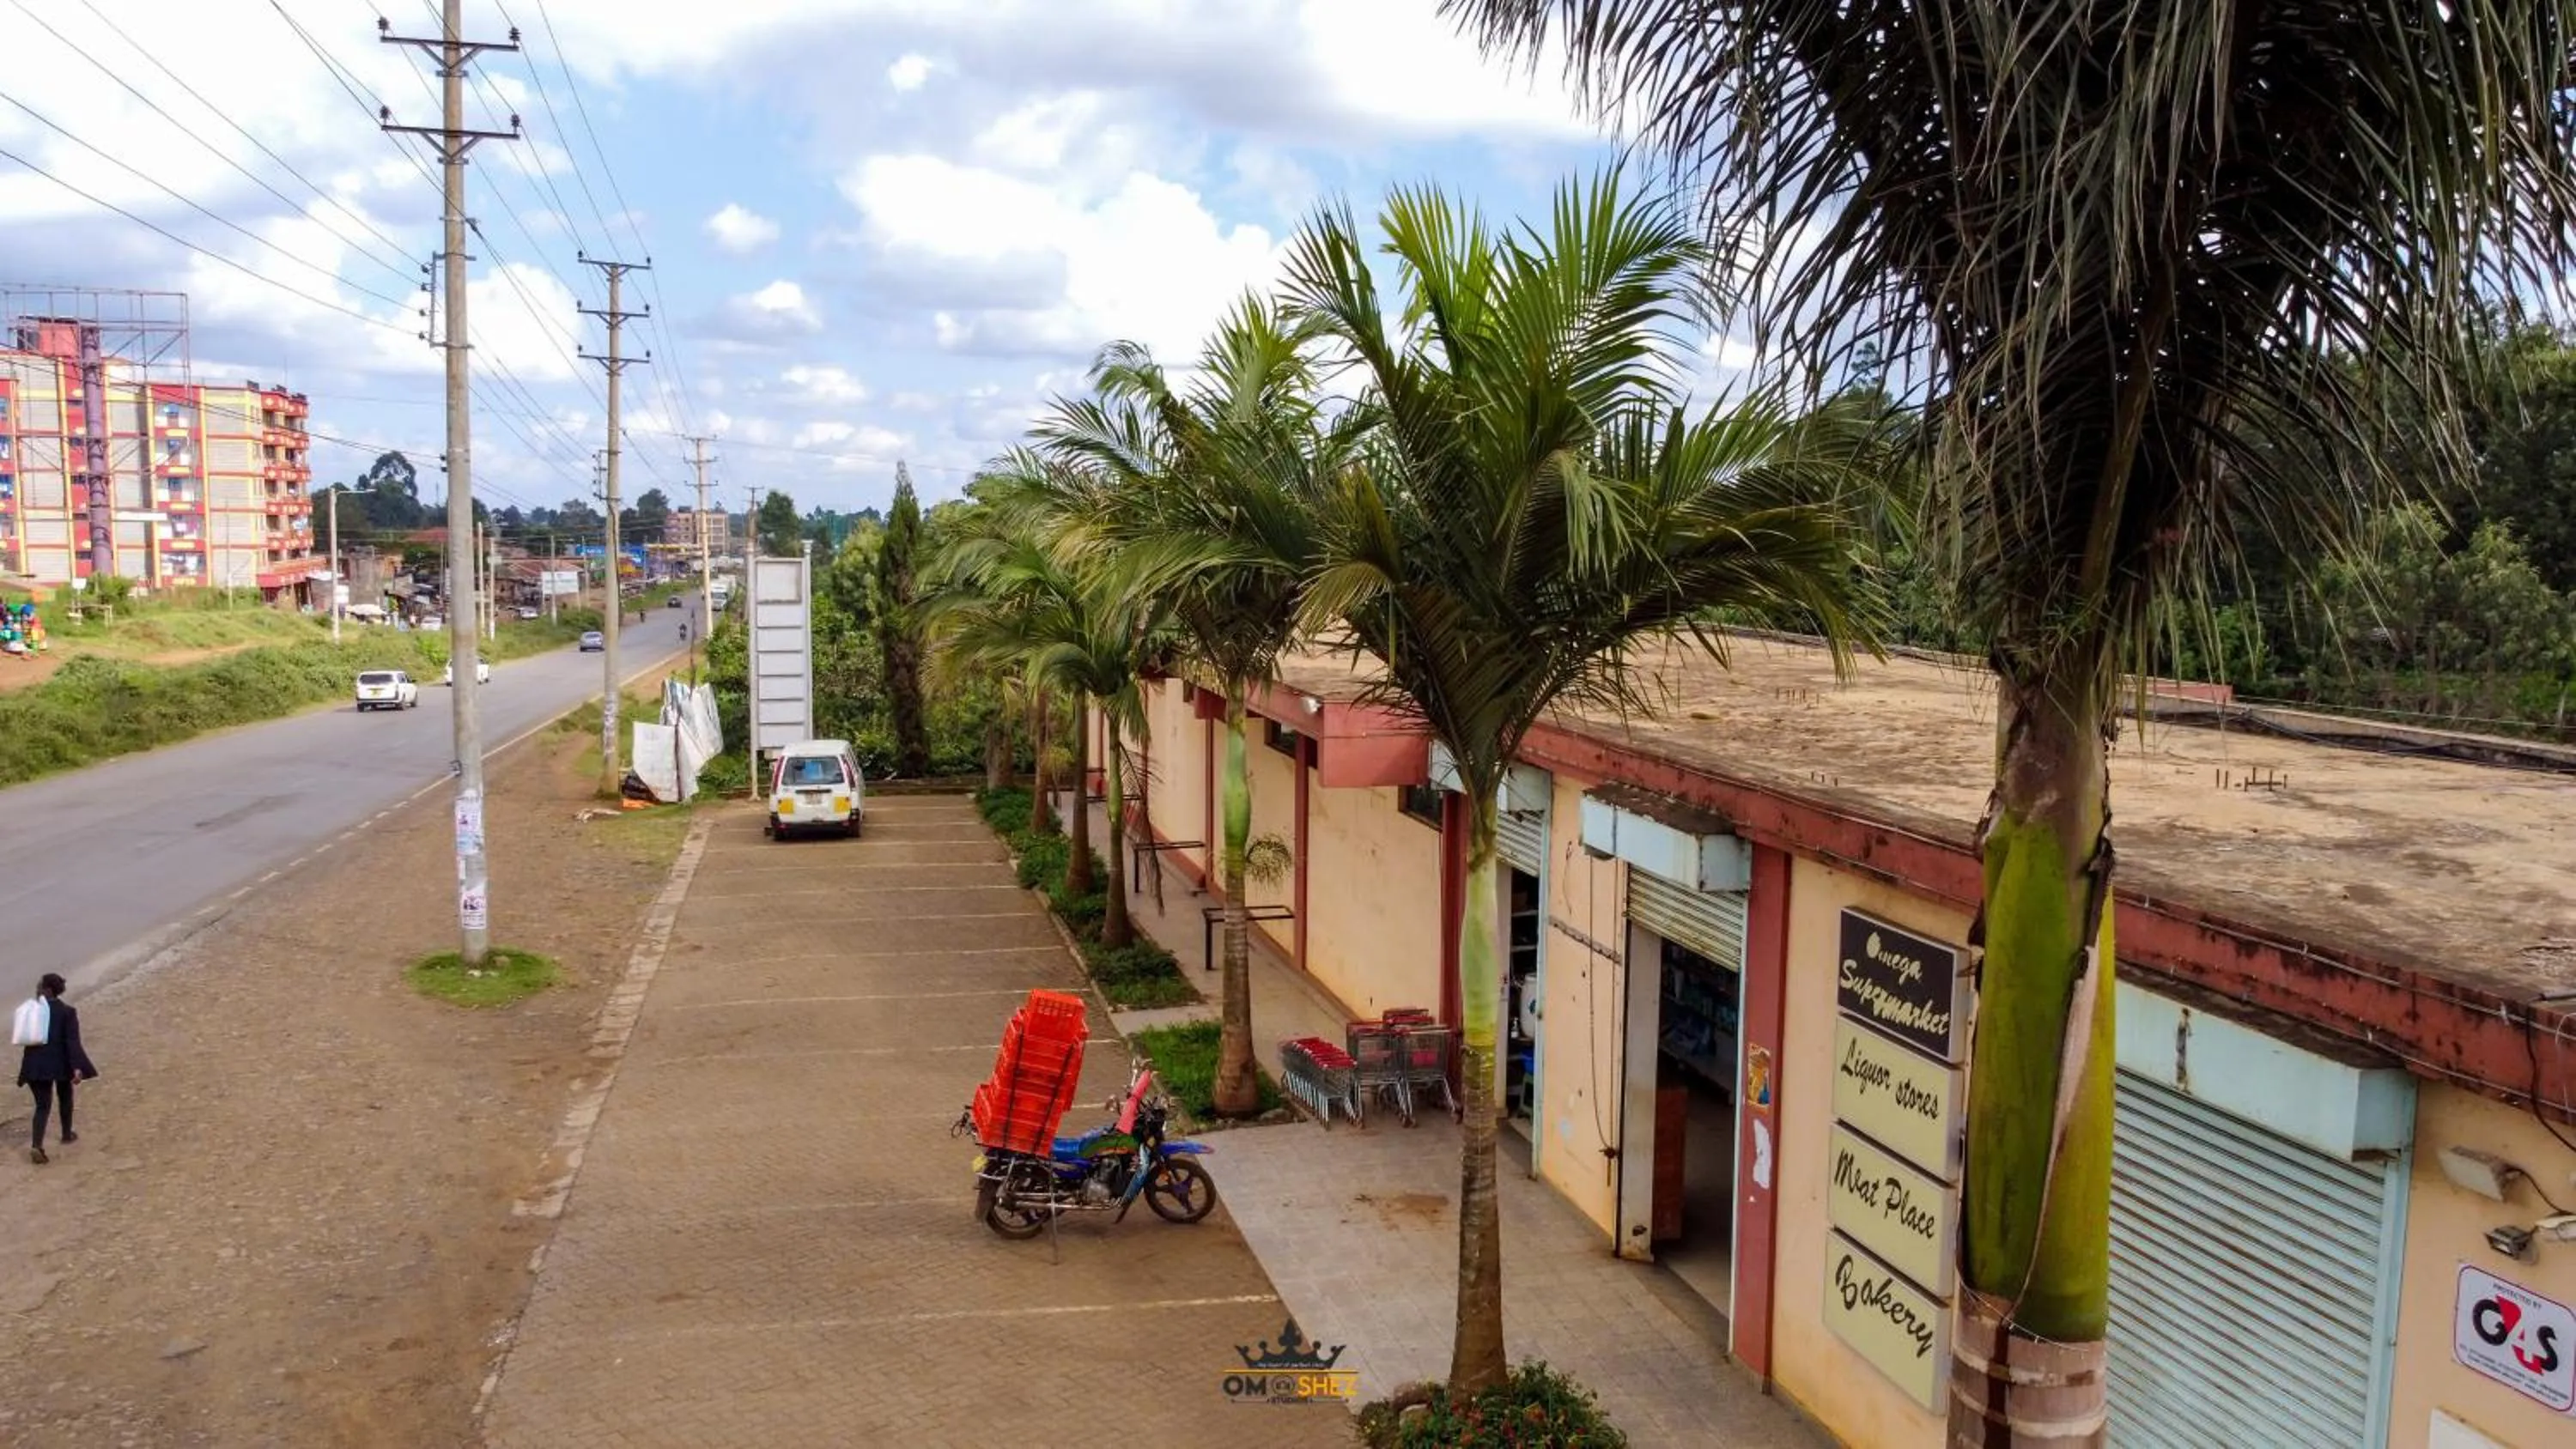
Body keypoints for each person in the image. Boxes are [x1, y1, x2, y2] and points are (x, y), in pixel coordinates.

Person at [15, 973, 96, 1164]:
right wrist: (77, 1067)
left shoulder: (32, 1011)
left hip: (35, 1066)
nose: (37, 988)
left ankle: (37, 1145)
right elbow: (72, 1042)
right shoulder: (67, 1012)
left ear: (48, 990)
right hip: (61, 1063)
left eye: (40, 986)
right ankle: (67, 1134)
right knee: (65, 1096)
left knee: (42, 1106)